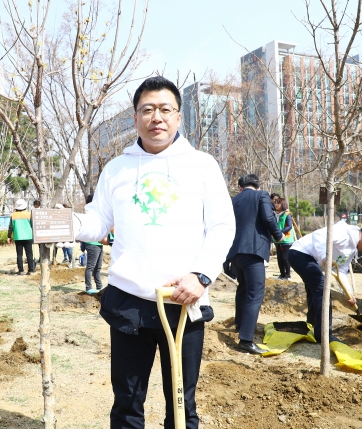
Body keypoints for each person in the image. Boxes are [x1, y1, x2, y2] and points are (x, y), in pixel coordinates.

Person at [74, 76, 235, 428]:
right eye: (147, 109)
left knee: (181, 404)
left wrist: (202, 276)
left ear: (178, 117)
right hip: (130, 300)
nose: (156, 117)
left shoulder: (202, 165)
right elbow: (98, 221)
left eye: (165, 109)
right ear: (135, 118)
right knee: (127, 403)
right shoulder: (117, 168)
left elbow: (223, 225)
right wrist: (67, 224)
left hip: (183, 300)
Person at [226, 174, 283, 355]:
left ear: (240, 186)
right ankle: (246, 340)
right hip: (253, 251)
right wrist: (278, 234)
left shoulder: (233, 200)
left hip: (235, 252)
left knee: (243, 288)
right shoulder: (262, 195)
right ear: (257, 186)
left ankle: (240, 324)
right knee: (255, 294)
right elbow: (268, 217)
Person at [288, 222, 362, 343]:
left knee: (315, 289)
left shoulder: (352, 249)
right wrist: (324, 256)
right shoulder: (344, 232)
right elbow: (319, 236)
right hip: (300, 253)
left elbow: (341, 270)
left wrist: (348, 293)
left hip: (310, 259)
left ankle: (312, 325)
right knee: (322, 290)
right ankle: (324, 334)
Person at [7, 198, 35, 275]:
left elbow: (10, 227)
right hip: (28, 236)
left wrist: (9, 237)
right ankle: (31, 270)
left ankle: (21, 270)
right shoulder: (29, 214)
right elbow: (33, 225)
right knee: (29, 254)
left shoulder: (13, 215)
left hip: (18, 237)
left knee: (19, 254)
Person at [82, 195, 104, 292]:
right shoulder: (89, 213)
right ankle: (89, 288)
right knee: (91, 266)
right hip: (92, 243)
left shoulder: (97, 212)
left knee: (98, 268)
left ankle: (99, 286)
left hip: (99, 243)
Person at [273, 198, 295, 280]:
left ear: (282, 204)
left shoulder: (287, 214)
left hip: (286, 239)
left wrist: (280, 232)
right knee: (279, 258)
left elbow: (289, 226)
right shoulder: (274, 214)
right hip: (278, 240)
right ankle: (282, 274)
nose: (276, 205)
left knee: (285, 257)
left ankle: (288, 275)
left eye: (278, 203)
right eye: (275, 203)